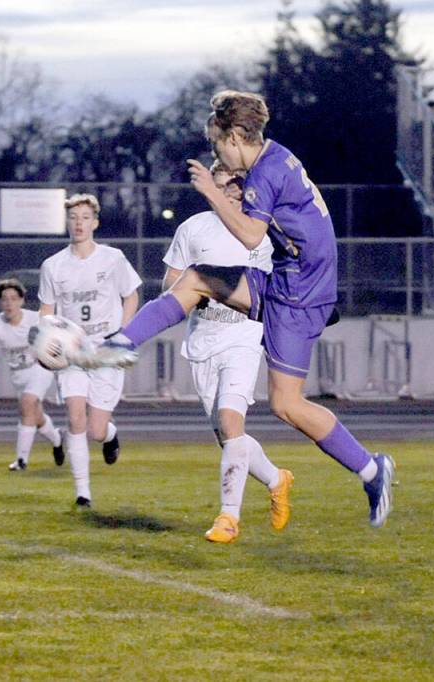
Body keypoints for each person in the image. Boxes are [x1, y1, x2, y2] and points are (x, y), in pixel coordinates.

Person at [95, 90, 395, 528]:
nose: (216, 153)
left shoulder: (266, 174)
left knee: (286, 404)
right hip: (294, 278)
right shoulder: (274, 159)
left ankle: (371, 469)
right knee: (196, 277)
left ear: (236, 136)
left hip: (299, 291)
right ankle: (121, 343)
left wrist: (214, 195)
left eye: (218, 143)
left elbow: (252, 236)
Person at [162, 162, 292, 543]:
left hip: (244, 337)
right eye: (222, 184)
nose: (231, 190)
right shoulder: (193, 228)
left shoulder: (262, 232)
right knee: (228, 437)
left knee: (231, 420)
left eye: (236, 183)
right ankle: (276, 478)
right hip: (204, 341)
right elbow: (172, 281)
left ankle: (228, 518)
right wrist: (194, 295)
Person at [38, 193, 142, 508]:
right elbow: (46, 310)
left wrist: (122, 333)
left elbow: (132, 296)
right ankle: (83, 493)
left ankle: (110, 436)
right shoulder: (53, 265)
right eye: (74, 217)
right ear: (67, 223)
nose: (79, 223)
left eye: (85, 217)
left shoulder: (113, 258)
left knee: (95, 429)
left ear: (95, 222)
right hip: (74, 352)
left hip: (107, 349)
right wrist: (48, 342)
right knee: (75, 418)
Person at [0, 277, 65, 471]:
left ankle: (21, 461)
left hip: (40, 369)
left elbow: (57, 334)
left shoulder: (35, 319)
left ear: (22, 301)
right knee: (34, 415)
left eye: (14, 298)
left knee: (27, 404)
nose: (9, 303)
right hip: (19, 376)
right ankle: (57, 439)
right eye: (5, 299)